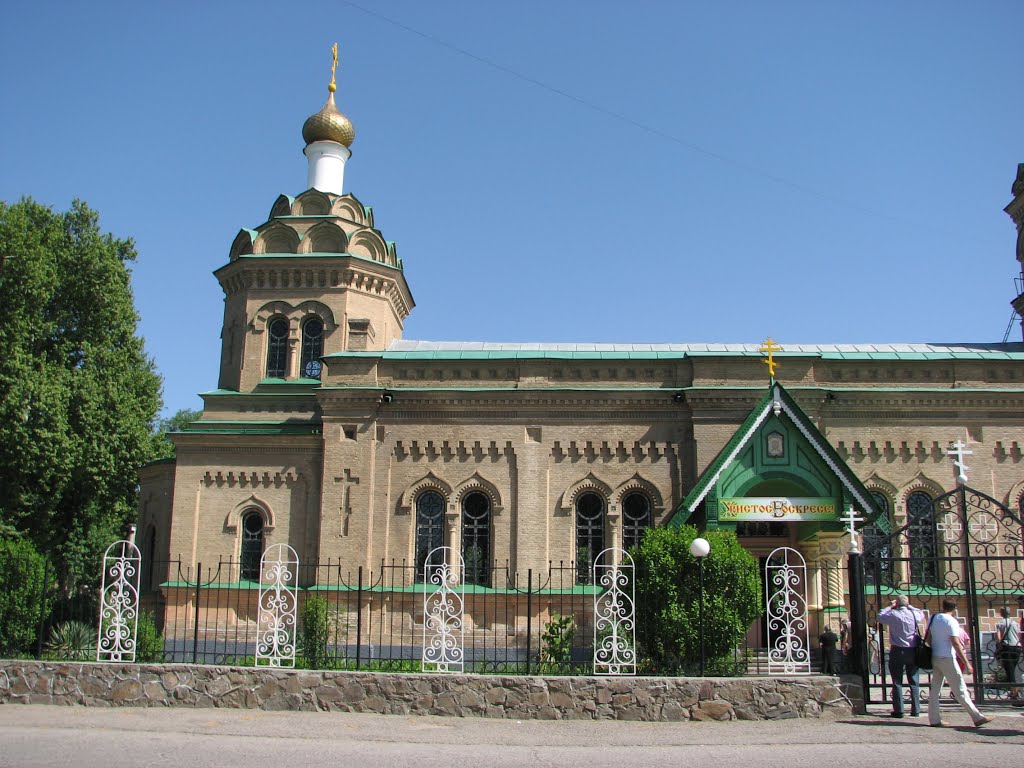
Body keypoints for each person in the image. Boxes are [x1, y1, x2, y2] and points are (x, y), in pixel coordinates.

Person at [927, 598, 993, 728]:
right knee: (960, 688)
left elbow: (929, 637)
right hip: (947, 657)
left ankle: (934, 719)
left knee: (935, 689)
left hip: (935, 656)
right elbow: (956, 643)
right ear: (954, 609)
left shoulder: (933, 617)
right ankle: (977, 717)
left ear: (943, 606)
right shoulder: (951, 621)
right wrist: (967, 663)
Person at [876, 595, 925, 717]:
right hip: (913, 650)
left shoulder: (893, 615)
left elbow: (879, 616)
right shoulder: (913, 614)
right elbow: (921, 614)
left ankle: (899, 710)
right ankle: (916, 710)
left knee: (897, 681)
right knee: (914, 680)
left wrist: (890, 606)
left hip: (897, 650)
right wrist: (909, 606)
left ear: (897, 603)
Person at [996, 606, 1021, 702]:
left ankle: (1015, 692)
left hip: (1007, 648)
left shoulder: (1000, 623)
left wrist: (998, 646)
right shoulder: (1015, 623)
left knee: (1009, 671)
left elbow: (998, 638)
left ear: (1001, 613)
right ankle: (1014, 691)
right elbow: (1018, 635)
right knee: (1013, 670)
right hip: (1017, 647)